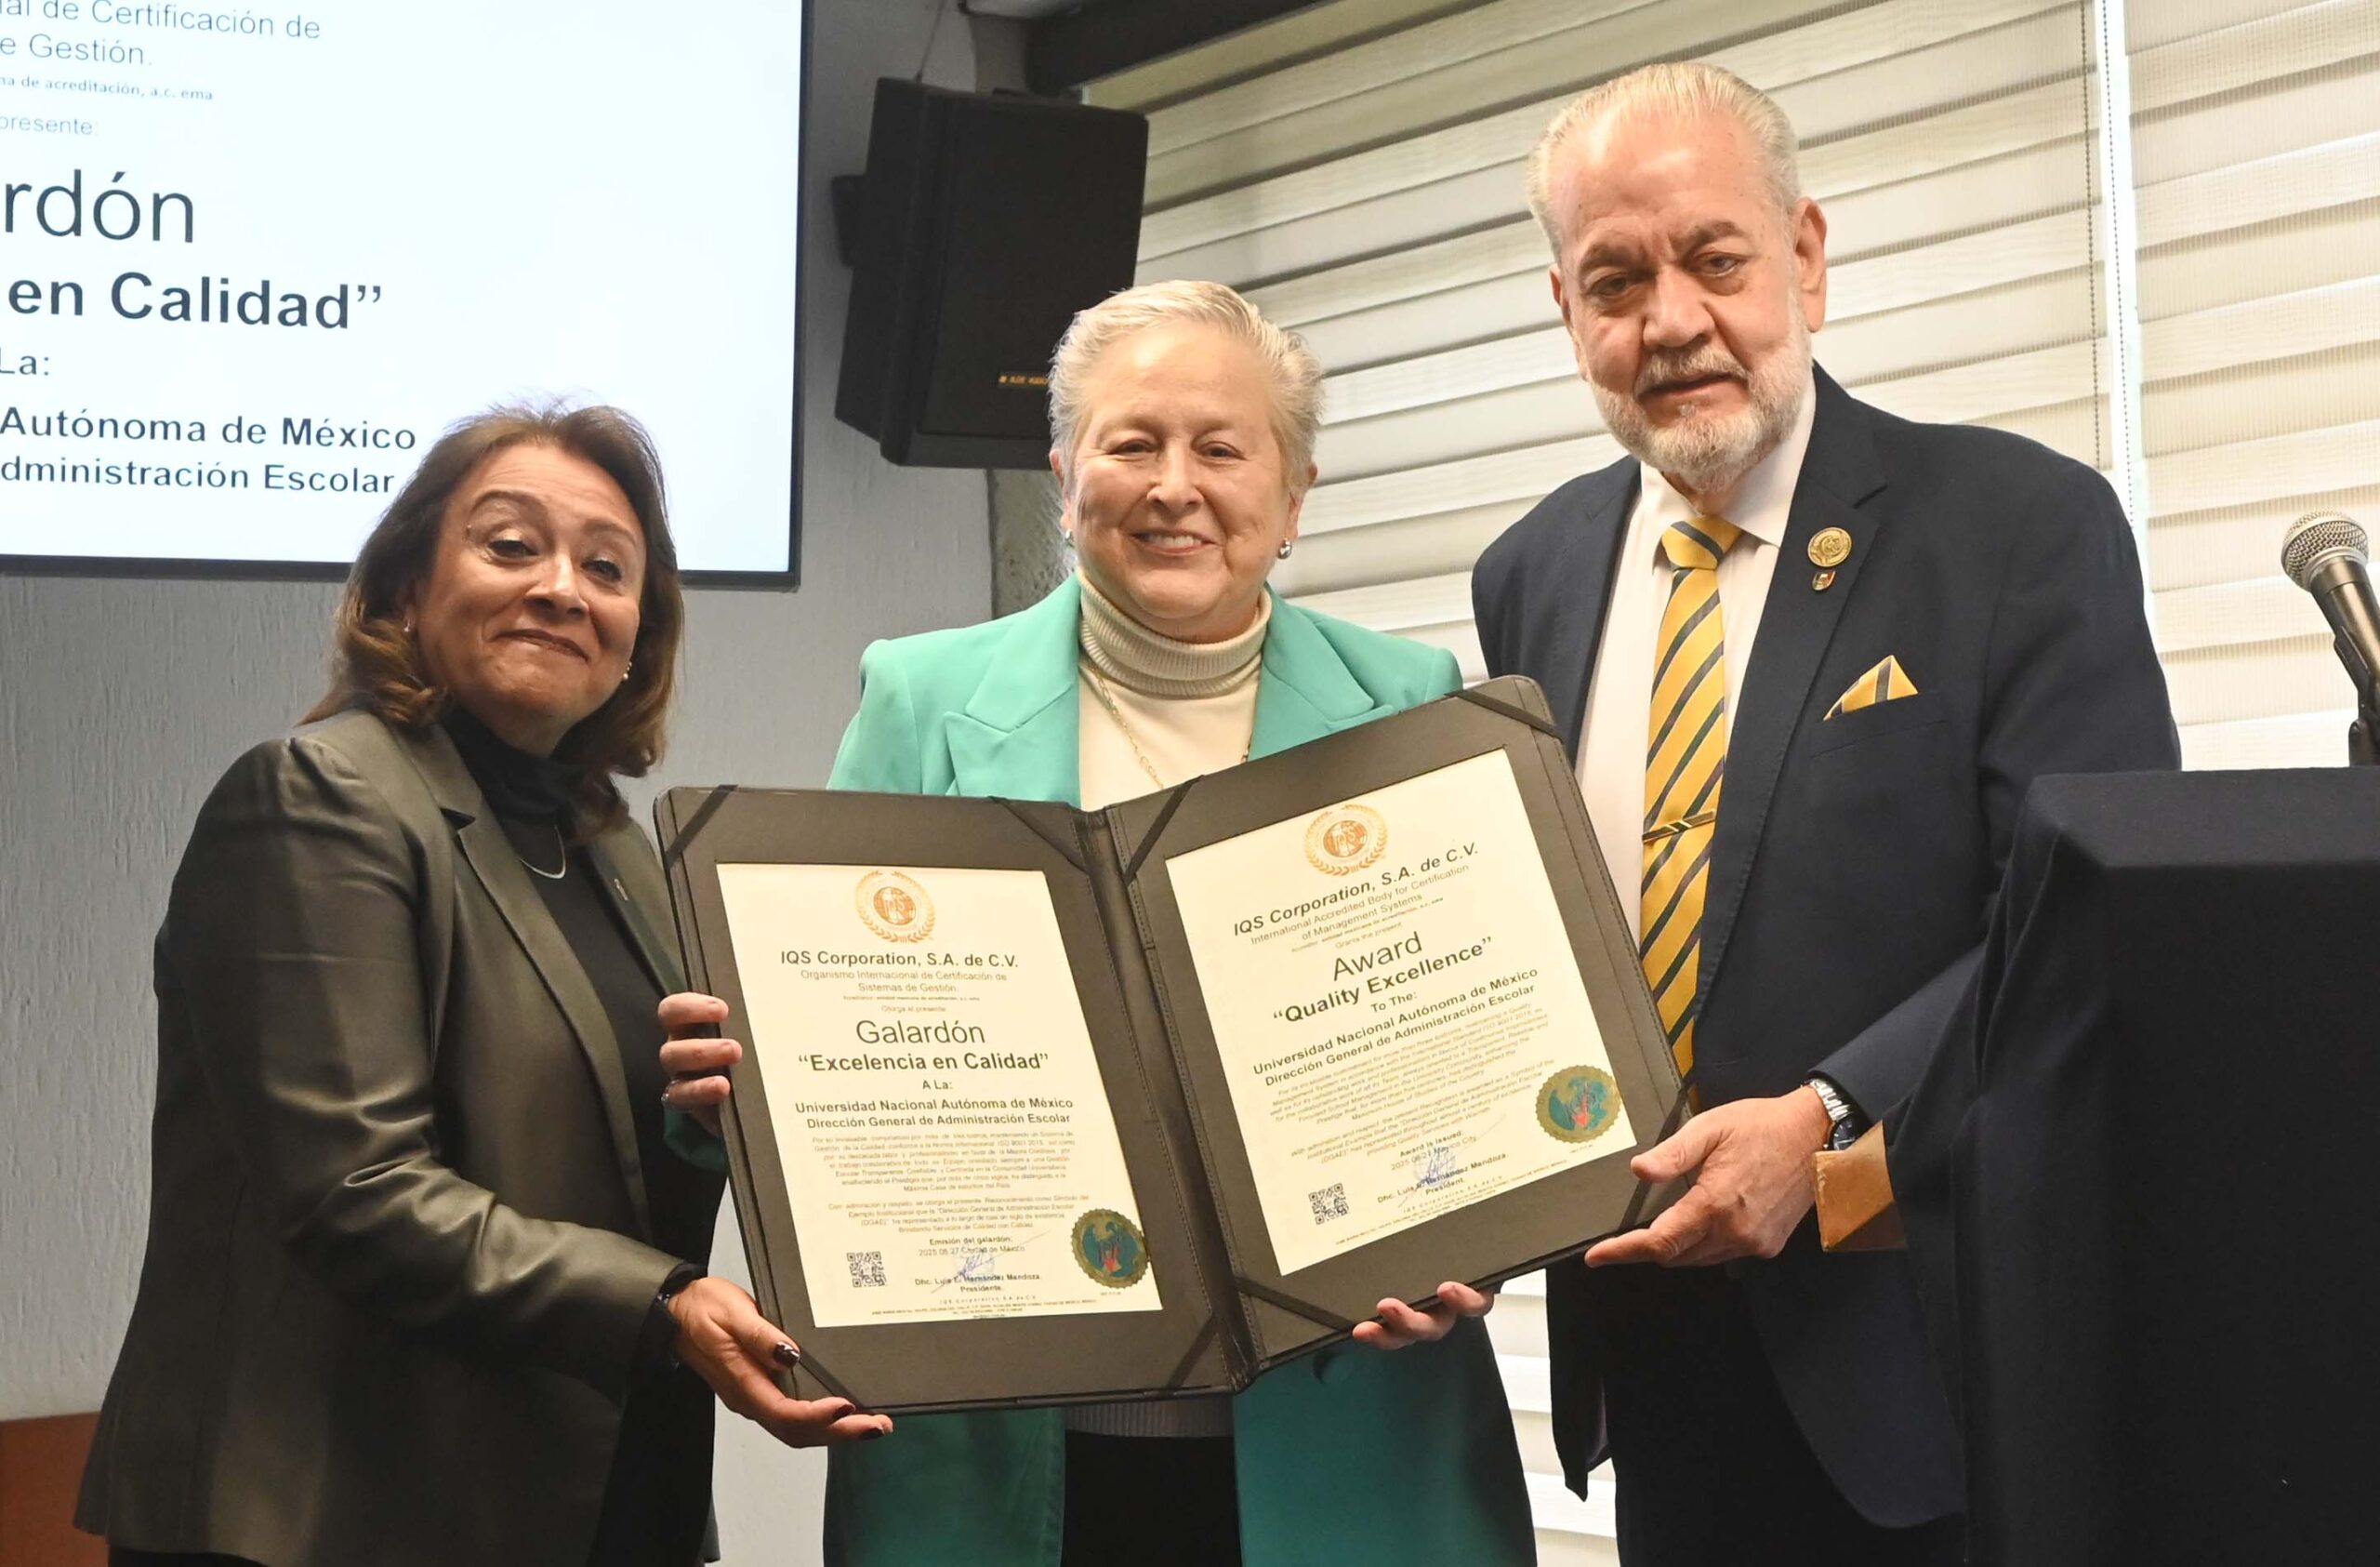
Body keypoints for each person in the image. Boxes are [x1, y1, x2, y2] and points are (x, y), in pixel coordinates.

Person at [660, 280, 1532, 1567]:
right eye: (1133, 442)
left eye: (1222, 447)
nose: (1174, 483)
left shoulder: (1406, 698)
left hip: (1345, 1440)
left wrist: (1479, 1233)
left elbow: (1467, 1038)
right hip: (1002, 1449)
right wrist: (735, 1077)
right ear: (1065, 473)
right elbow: (821, 1031)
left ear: (1292, 498)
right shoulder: (924, 695)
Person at [1470, 63, 2179, 1565]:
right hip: (1652, 1342)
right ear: (1564, 311)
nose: (1669, 320)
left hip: (1925, 1352)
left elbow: (2085, 923)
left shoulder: (2013, 526)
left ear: (1804, 252)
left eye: (1714, 259)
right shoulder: (1530, 570)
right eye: (1615, 280)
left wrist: (1833, 1118)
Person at [77, 405, 886, 1567]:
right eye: (510, 546)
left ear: (632, 635)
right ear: (405, 589)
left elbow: (605, 1149)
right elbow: (358, 1189)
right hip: (345, 1512)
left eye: (608, 568)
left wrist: (719, 1123)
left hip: (590, 1491)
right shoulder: (317, 797)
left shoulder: (617, 845)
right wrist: (662, 1304)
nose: (563, 587)